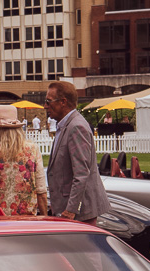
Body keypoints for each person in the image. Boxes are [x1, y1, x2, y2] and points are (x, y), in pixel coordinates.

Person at [44, 80, 109, 223]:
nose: (45, 106)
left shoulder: (76, 127)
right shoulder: (65, 125)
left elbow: (81, 173)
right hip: (69, 210)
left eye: (48, 102)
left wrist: (71, 210)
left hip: (79, 213)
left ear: (63, 102)